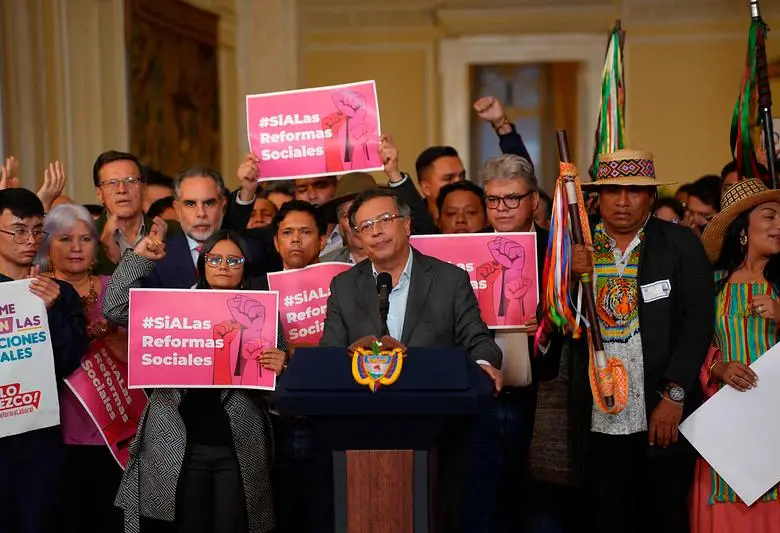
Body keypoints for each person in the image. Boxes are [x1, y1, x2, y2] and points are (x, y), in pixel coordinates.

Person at [320, 188, 502, 532]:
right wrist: (348, 356)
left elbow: (479, 342)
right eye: (365, 225)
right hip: (366, 426)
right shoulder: (343, 287)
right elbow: (330, 355)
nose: (375, 231)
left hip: (440, 428)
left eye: (384, 220)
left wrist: (482, 368)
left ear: (407, 224)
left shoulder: (449, 279)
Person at [571, 149, 714, 533]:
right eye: (612, 191)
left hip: (659, 412)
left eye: (634, 191)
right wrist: (568, 276)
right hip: (596, 417)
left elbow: (698, 323)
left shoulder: (680, 244)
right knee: (603, 518)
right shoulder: (577, 248)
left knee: (663, 516)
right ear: (595, 197)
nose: (622, 201)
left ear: (651, 197)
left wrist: (675, 395)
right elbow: (555, 323)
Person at [111, 229, 283, 533]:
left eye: (234, 259)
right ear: (202, 263)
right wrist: (139, 258)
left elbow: (276, 387)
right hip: (177, 443)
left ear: (245, 267)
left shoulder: (265, 314)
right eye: (215, 258)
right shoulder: (173, 305)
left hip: (237, 446)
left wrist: (283, 365)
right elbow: (114, 307)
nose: (224, 265)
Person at [694, 178, 780, 532]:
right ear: (742, 229)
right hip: (725, 432)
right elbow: (689, 345)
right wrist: (717, 367)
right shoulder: (711, 285)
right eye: (770, 217)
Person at [0, 188, 87, 533]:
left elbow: (68, 361)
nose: (30, 240)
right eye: (19, 230)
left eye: (38, 230)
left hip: (39, 434)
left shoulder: (59, 293)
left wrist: (46, 312)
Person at [38, 204, 127, 532]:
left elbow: (139, 356)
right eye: (65, 238)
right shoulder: (32, 291)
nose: (76, 247)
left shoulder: (117, 287)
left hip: (117, 429)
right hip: (55, 433)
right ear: (48, 245)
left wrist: (109, 335)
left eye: (85, 238)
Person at [267, 201, 333, 533]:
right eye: (287, 233)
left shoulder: (344, 286)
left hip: (328, 421)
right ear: (276, 242)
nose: (296, 240)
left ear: (323, 240)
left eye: (306, 232)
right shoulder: (256, 292)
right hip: (274, 425)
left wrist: (293, 355)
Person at [92, 151, 179, 274]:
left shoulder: (173, 230)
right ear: (99, 194)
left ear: (143, 188)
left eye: (130, 181)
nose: (122, 190)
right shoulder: (87, 237)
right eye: (112, 183)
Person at [320, 172, 376, 264]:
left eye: (367, 213)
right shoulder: (326, 266)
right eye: (348, 216)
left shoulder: (403, 260)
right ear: (340, 226)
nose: (357, 223)